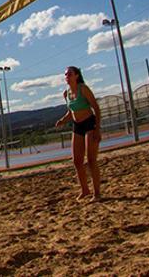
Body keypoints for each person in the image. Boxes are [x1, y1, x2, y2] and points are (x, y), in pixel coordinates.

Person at [54, 66, 101, 201]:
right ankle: (85, 190)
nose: (67, 77)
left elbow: (96, 108)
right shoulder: (66, 93)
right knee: (76, 161)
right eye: (65, 75)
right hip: (77, 126)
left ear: (77, 76)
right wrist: (62, 120)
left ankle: (97, 193)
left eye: (69, 74)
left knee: (91, 160)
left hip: (89, 123)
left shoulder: (83, 89)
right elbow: (71, 112)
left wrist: (97, 129)